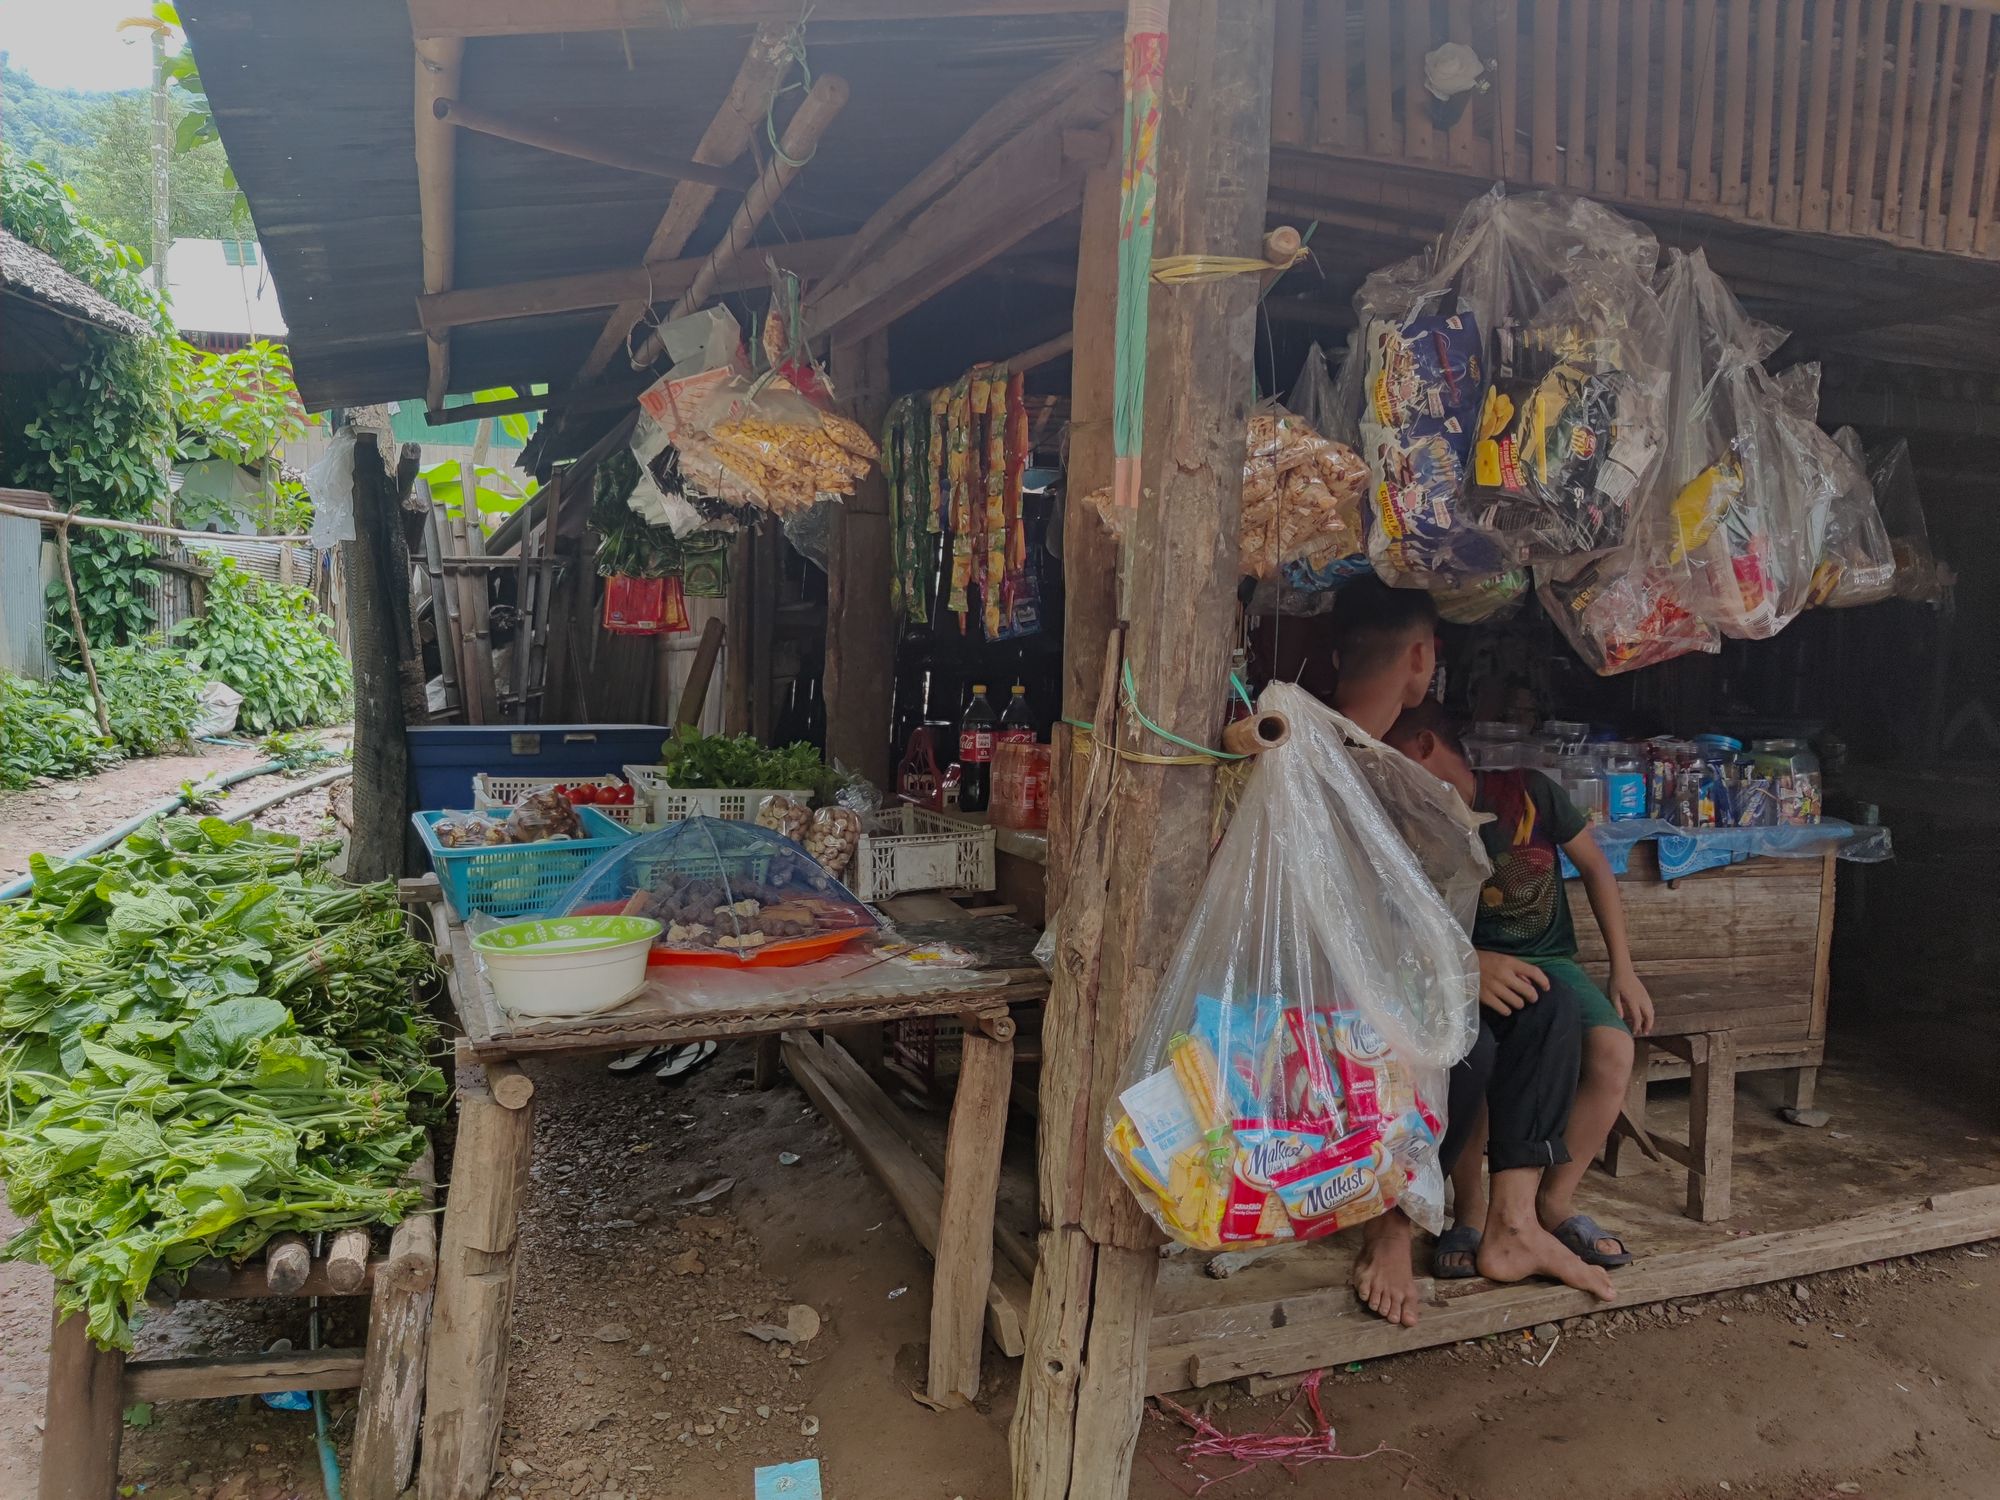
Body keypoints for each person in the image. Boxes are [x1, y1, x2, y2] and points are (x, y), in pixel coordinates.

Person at [1329, 579, 1614, 1325]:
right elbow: (1334, 918)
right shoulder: (1335, 756)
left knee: (1547, 1008)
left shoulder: (1376, 759)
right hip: (1334, 1004)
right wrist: (1460, 970)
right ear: (1424, 658)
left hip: (1415, 977)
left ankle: (1515, 1224)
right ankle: (1393, 1226)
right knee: (1468, 1051)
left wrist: (1462, 967)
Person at [1384, 697, 1655, 1279]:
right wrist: (1464, 966)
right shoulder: (1408, 820)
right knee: (1477, 1055)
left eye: (1392, 752)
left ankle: (1551, 1205)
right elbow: (1395, 923)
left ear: (1425, 745)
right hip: (1457, 969)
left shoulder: (1528, 791)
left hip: (1550, 961)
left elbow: (1598, 869)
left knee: (1614, 1054)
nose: (1383, 769)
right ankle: (1473, 1212)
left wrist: (1622, 967)